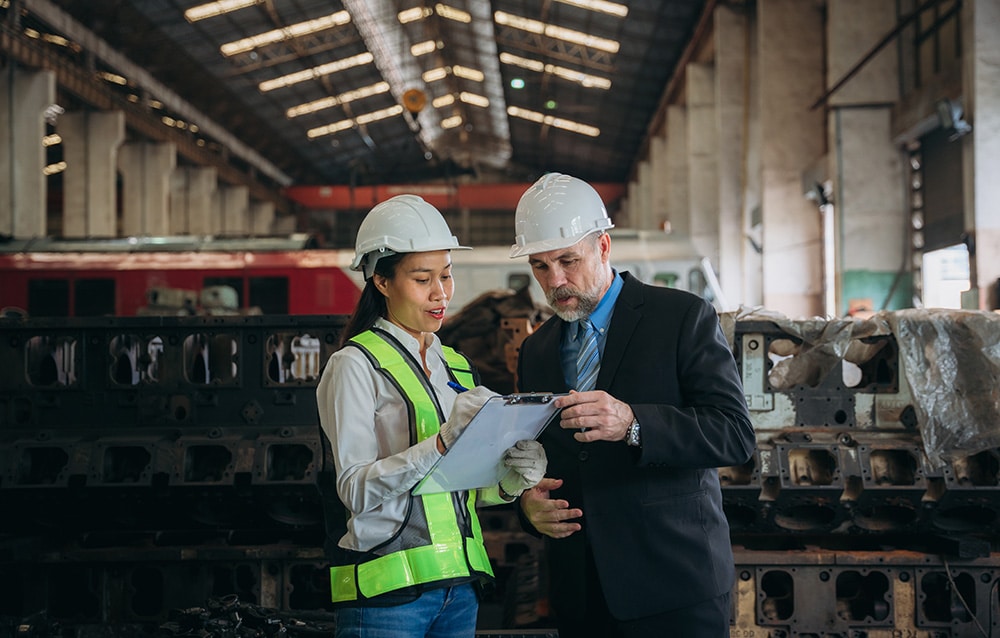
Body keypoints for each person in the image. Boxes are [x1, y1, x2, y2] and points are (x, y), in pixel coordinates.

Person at [508, 173, 755, 638]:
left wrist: (634, 423)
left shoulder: (681, 317)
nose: (556, 281)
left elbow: (734, 434)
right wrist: (528, 508)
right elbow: (534, 460)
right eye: (540, 267)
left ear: (603, 247)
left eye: (567, 260)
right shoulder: (537, 350)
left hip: (674, 586)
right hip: (581, 594)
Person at [316, 194, 547, 638]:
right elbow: (355, 489)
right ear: (381, 282)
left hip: (458, 590)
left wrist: (510, 481)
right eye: (423, 279)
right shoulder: (354, 366)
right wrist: (441, 442)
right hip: (387, 598)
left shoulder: (456, 366)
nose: (441, 293)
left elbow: (459, 488)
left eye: (446, 275)